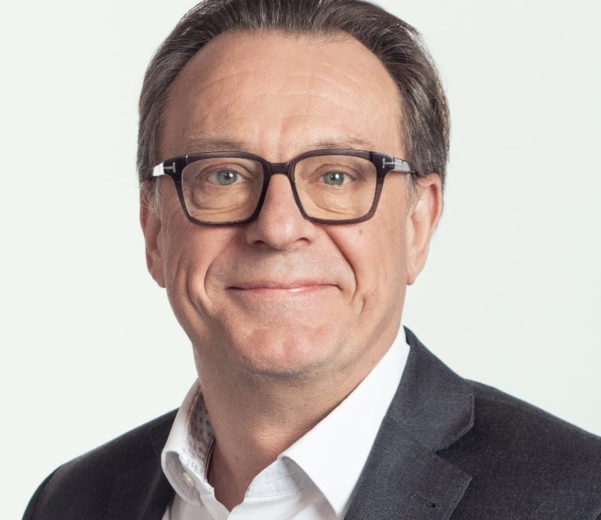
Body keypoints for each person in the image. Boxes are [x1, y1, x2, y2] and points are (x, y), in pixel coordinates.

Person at [23, 0, 601, 518]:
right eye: (224, 176)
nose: (278, 228)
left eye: (336, 176)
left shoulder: (580, 499)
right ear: (154, 230)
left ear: (417, 224)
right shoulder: (70, 501)